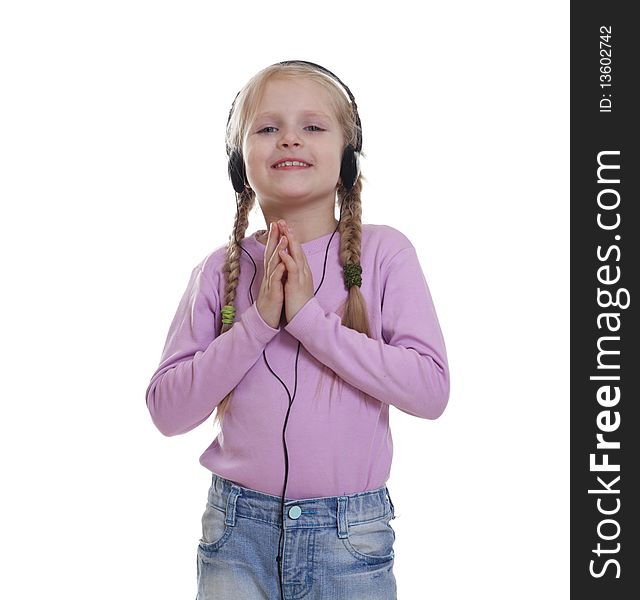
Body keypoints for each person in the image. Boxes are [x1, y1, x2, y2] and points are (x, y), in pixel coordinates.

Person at [145, 60, 450, 600]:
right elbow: (167, 412)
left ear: (348, 158)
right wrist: (258, 323)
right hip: (237, 531)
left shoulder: (385, 254)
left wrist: (309, 319)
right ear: (240, 164)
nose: (290, 138)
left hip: (348, 537)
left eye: (313, 126)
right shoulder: (220, 270)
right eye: (267, 128)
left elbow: (429, 391)